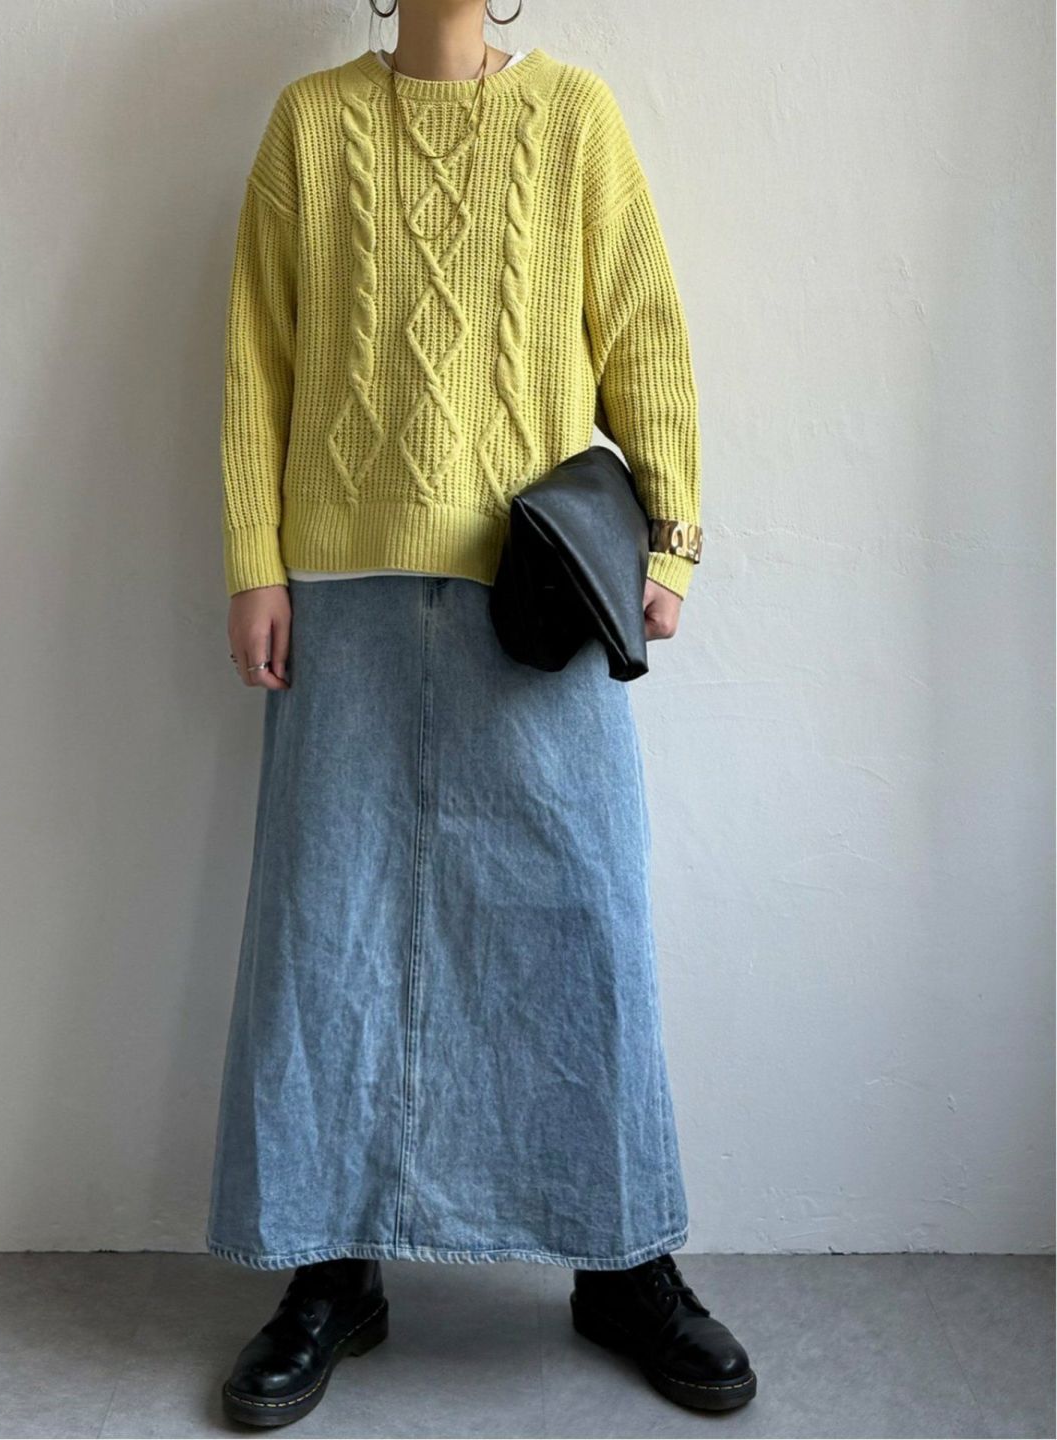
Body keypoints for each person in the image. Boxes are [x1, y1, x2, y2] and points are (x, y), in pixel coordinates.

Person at [205, 0, 755, 1426]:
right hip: (343, 597)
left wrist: (674, 543)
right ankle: (331, 1266)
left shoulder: (575, 118)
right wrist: (254, 560)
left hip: (538, 590)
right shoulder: (309, 125)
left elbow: (645, 330)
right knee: (328, 928)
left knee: (583, 917)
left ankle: (621, 1261)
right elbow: (258, 357)